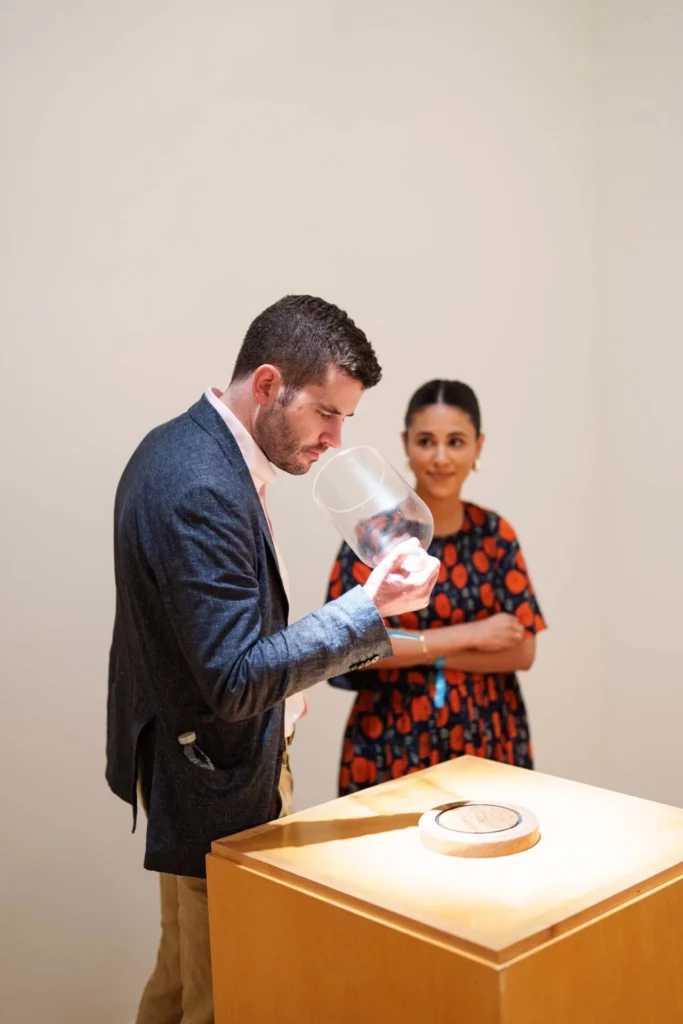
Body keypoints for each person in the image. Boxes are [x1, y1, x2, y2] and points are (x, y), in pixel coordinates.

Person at [106, 295, 440, 1024]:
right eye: (326, 413)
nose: (334, 438)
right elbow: (232, 680)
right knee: (226, 998)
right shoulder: (199, 483)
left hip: (187, 768)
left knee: (178, 979)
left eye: (346, 418)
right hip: (211, 776)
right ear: (266, 385)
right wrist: (368, 609)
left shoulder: (179, 445)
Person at [326, 379, 547, 796]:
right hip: (389, 741)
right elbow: (348, 648)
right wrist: (473, 636)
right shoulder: (372, 537)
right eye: (427, 441)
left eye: (456, 441)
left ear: (478, 447)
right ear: (406, 445)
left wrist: (416, 650)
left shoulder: (495, 535)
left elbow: (522, 650)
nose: (441, 457)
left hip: (488, 739)